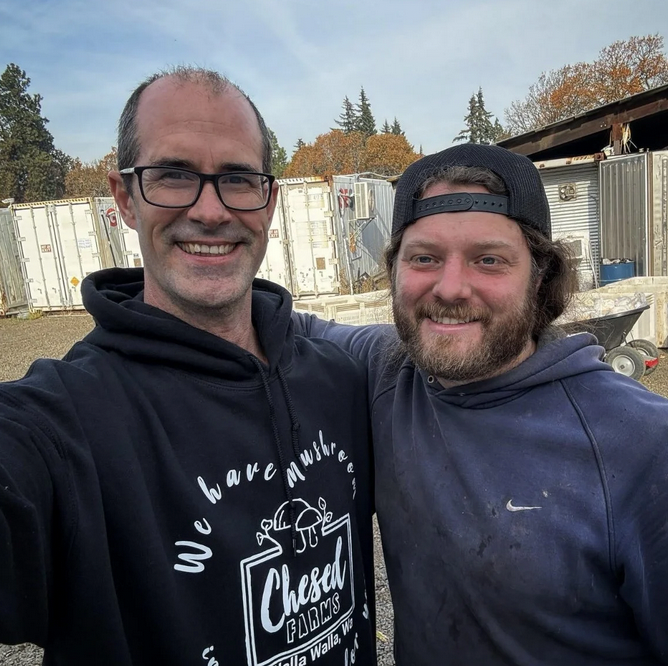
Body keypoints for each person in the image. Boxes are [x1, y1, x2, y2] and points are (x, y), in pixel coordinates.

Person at [0, 67, 376, 666]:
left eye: (236, 178)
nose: (210, 210)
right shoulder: (69, 422)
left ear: (269, 200)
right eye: (173, 176)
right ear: (123, 197)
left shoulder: (338, 382)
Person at [294, 143, 668, 665]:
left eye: (488, 260)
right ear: (395, 271)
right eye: (424, 258)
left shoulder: (641, 446)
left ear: (540, 277)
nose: (450, 288)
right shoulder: (389, 372)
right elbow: (281, 321)